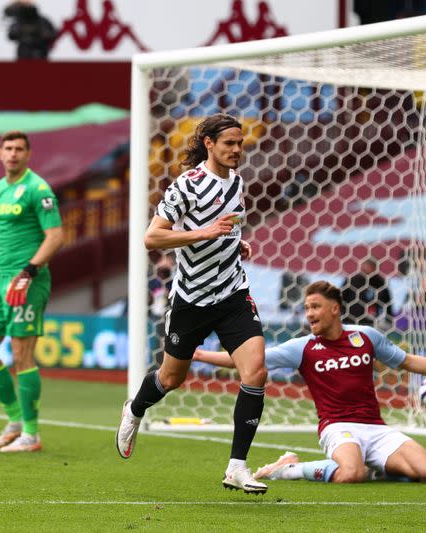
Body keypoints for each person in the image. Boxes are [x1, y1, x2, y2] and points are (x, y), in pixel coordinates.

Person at [194, 281, 426, 484]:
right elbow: (248, 360)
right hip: (338, 427)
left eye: (315, 306)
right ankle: (288, 469)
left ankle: (369, 467)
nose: (309, 313)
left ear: (334, 308)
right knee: (350, 474)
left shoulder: (365, 337)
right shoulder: (304, 347)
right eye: (307, 307)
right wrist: (198, 354)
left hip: (375, 427)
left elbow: (408, 361)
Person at [116, 114, 270, 494]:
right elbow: (152, 239)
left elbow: (225, 230)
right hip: (192, 299)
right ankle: (135, 408)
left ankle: (236, 466)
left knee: (256, 372)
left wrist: (235, 243)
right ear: (209, 144)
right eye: (230, 143)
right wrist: (204, 233)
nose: (238, 150)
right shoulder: (186, 186)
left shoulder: (237, 182)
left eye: (240, 143)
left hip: (233, 292)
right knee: (171, 378)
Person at [0, 131, 64, 453]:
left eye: (19, 149)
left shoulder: (38, 189)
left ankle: (31, 434)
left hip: (28, 281)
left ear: (28, 154)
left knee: (22, 355)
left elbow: (55, 237)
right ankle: (14, 420)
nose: (13, 154)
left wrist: (28, 272)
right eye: (8, 149)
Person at [341, 259, 391, 327]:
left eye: (371, 267)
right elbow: (340, 298)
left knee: (364, 337)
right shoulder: (352, 280)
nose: (368, 269)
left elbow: (387, 302)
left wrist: (389, 320)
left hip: (369, 322)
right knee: (353, 337)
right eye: (366, 266)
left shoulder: (380, 283)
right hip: (350, 320)